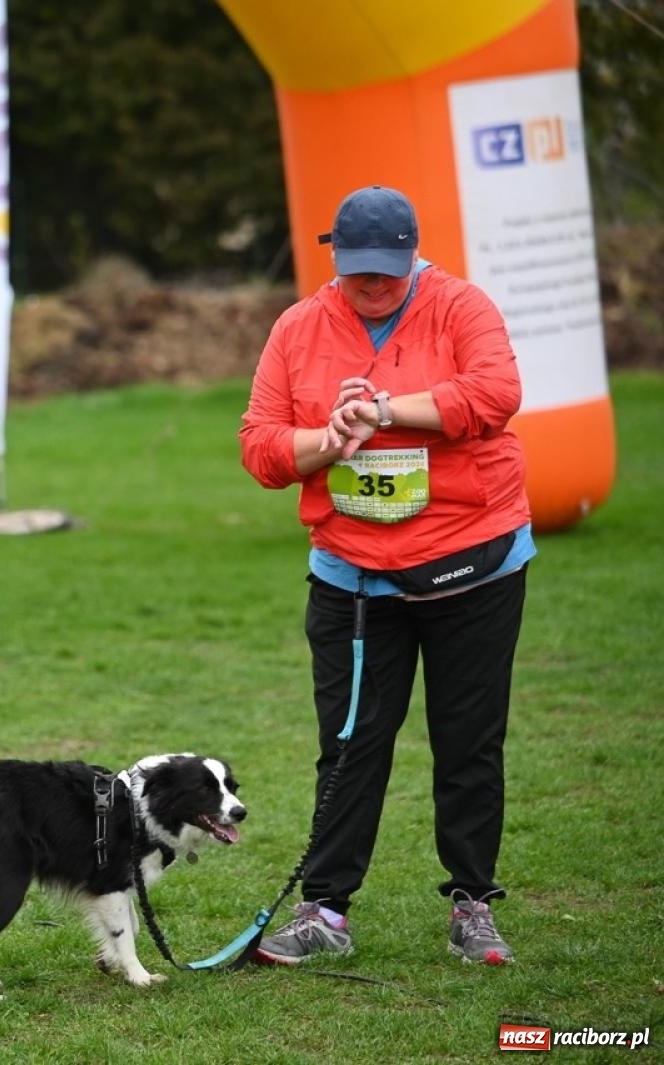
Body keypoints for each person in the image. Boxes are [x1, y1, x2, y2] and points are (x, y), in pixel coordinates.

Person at [239, 185, 536, 967]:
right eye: (357, 271)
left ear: (412, 255)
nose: (372, 285)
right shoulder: (299, 327)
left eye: (387, 272)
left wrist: (386, 409)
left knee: (468, 741)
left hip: (474, 563)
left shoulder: (460, 307)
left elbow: (498, 394)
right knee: (348, 743)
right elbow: (261, 445)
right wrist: (328, 439)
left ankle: (473, 903)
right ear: (334, 256)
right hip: (353, 581)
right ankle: (325, 910)